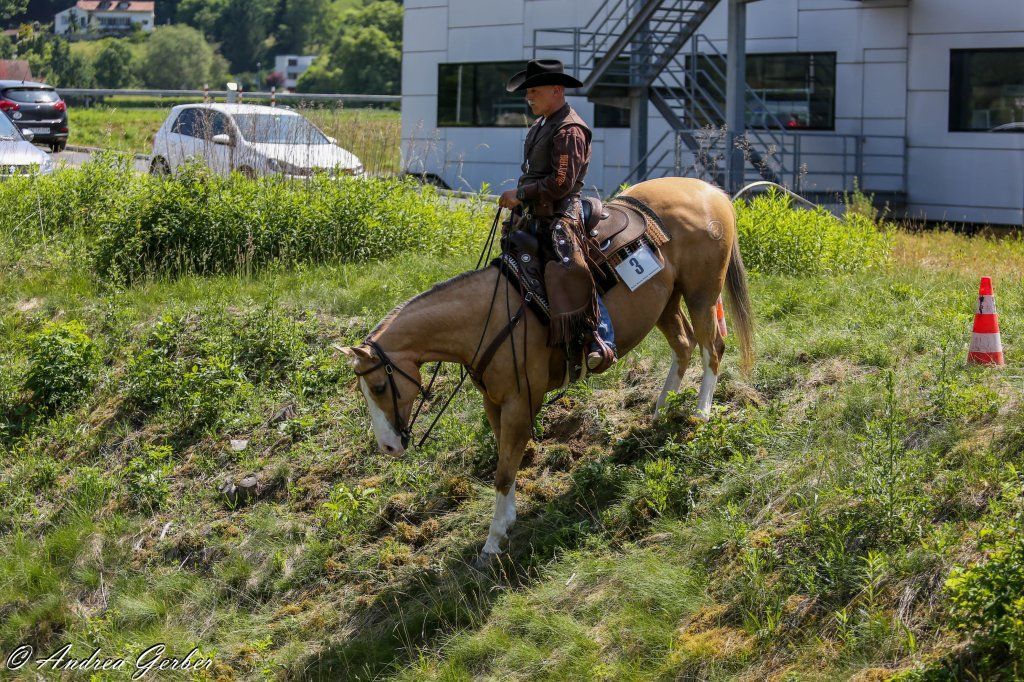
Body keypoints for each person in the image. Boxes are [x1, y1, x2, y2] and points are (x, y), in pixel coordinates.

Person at [497, 58, 616, 374]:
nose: (528, 98)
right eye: (528, 92)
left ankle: (600, 340)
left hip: (562, 212)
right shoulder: (543, 123)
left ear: (556, 89)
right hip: (536, 212)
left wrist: (520, 194)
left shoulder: (569, 129)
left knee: (571, 267)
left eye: (534, 91)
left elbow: (561, 184)